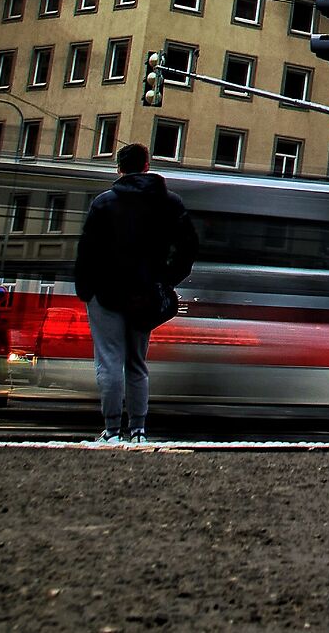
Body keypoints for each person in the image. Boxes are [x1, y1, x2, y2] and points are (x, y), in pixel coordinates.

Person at [71, 143, 196, 443]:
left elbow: (86, 250)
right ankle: (138, 429)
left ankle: (112, 430)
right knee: (137, 363)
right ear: (147, 165)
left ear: (120, 169)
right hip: (146, 294)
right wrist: (166, 280)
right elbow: (188, 248)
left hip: (106, 293)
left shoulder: (104, 203)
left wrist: (85, 289)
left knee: (110, 361)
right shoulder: (170, 203)